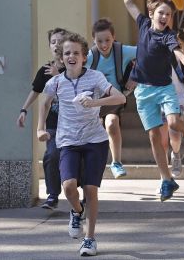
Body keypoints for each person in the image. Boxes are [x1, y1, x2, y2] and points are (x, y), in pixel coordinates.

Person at [37, 32, 126, 256]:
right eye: (67, 53)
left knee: (90, 189)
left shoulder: (95, 78)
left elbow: (120, 98)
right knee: (68, 187)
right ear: (61, 57)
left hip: (95, 140)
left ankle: (90, 239)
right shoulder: (55, 82)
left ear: (84, 56)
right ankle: (77, 211)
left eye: (76, 52)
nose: (71, 56)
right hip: (68, 141)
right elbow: (44, 103)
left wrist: (96, 102)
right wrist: (40, 128)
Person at [124, 0, 184, 201]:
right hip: (144, 91)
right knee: (154, 137)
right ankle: (167, 179)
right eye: (161, 13)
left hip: (165, 87)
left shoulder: (168, 35)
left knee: (174, 123)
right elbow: (128, 1)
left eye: (168, 14)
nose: (165, 17)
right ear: (151, 14)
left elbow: (179, 52)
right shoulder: (142, 24)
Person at [17, 27, 68, 209]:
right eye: (53, 42)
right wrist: (24, 110)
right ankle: (53, 195)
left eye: (60, 41)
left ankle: (81, 193)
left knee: (77, 159)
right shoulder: (45, 70)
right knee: (51, 155)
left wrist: (58, 76)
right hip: (53, 124)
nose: (57, 45)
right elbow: (35, 91)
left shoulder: (73, 68)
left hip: (73, 125)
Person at [86, 18, 137, 179]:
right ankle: (91, 164)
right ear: (93, 40)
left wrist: (135, 76)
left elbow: (147, 54)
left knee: (111, 123)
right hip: (92, 100)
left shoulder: (123, 51)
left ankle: (116, 163)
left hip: (114, 97)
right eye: (99, 41)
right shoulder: (88, 57)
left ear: (113, 37)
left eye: (107, 40)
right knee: (95, 128)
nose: (104, 45)